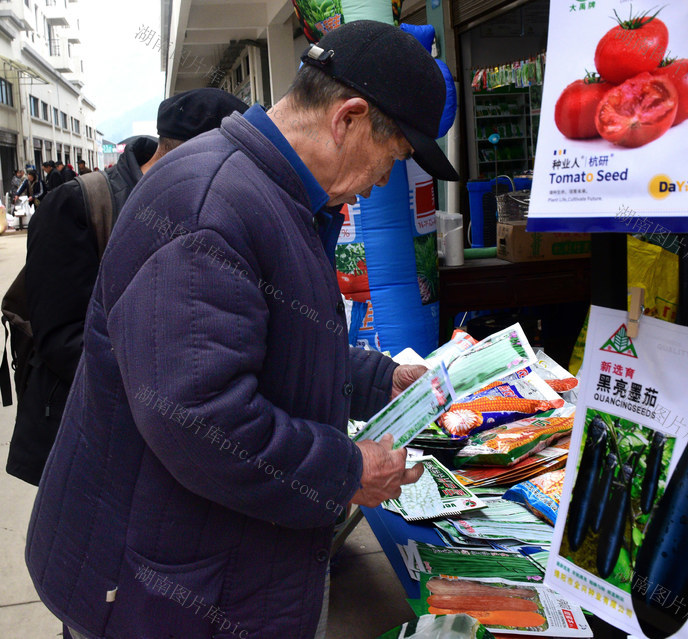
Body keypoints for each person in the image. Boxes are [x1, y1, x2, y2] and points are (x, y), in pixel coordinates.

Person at [26, 21, 456, 639]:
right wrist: (346, 473)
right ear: (349, 118)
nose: (384, 181)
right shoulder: (209, 204)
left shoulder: (272, 192)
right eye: (392, 159)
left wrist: (382, 379)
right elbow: (200, 417)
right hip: (161, 595)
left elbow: (283, 344)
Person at [6, 88, 250, 488]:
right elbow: (62, 340)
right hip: (86, 434)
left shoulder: (200, 209)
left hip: (160, 441)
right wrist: (172, 386)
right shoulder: (78, 204)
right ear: (194, 154)